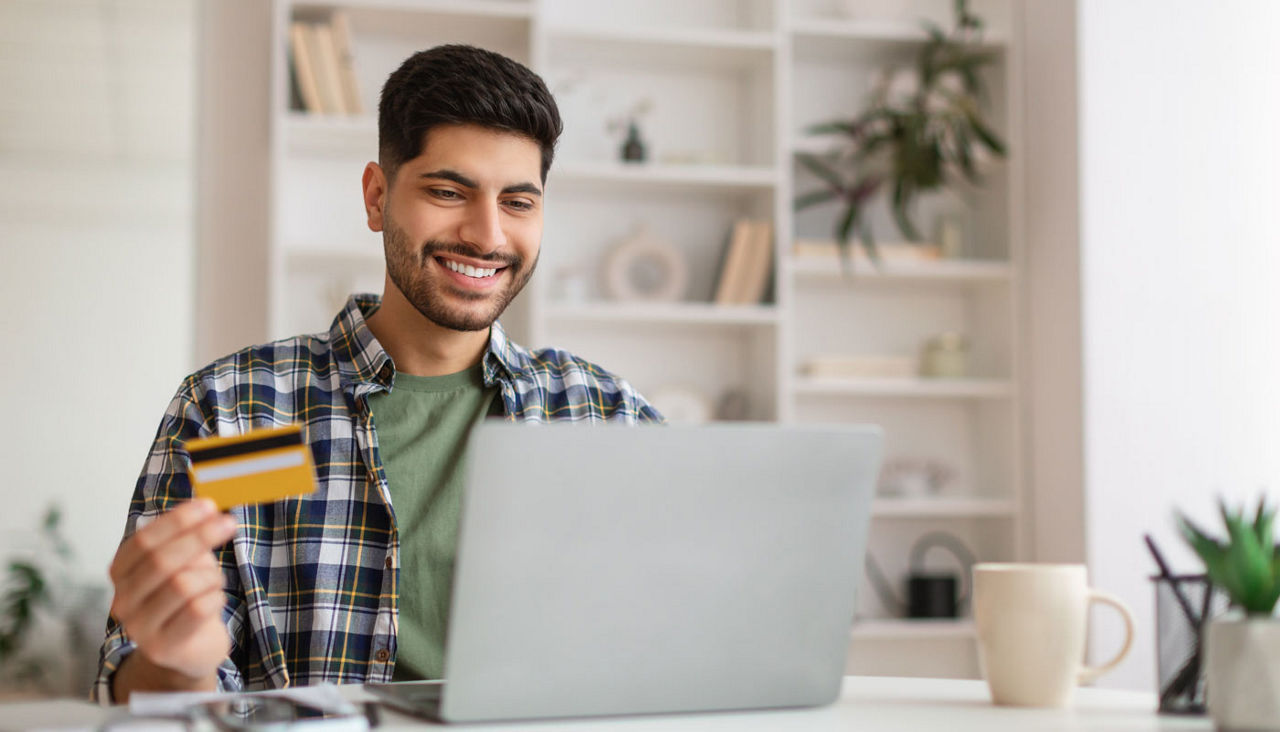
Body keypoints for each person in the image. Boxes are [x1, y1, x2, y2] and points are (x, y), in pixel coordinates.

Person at [94, 44, 663, 703]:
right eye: (449, 192)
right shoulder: (241, 412)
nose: (486, 234)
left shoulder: (605, 418)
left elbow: (671, 645)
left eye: (518, 202)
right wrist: (178, 668)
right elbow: (133, 675)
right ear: (376, 196)